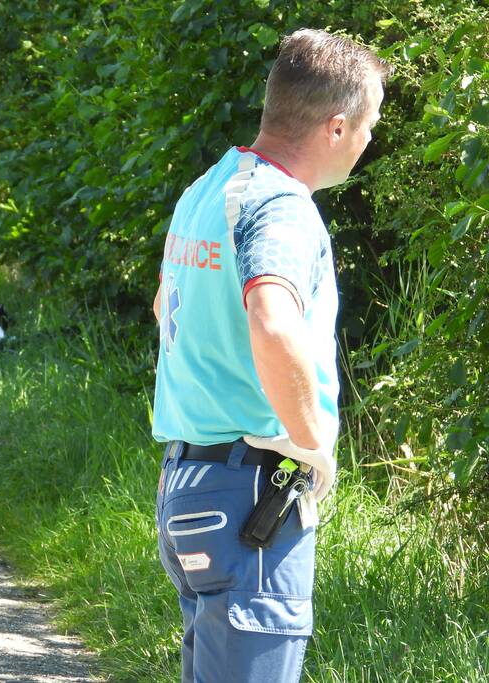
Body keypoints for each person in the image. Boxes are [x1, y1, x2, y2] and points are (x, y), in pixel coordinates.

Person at [150, 29, 390, 683]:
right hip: (253, 494)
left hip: (190, 486)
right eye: (369, 126)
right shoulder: (282, 207)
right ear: (337, 127)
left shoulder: (208, 190)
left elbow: (163, 305)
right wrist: (313, 444)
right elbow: (272, 316)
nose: (369, 141)